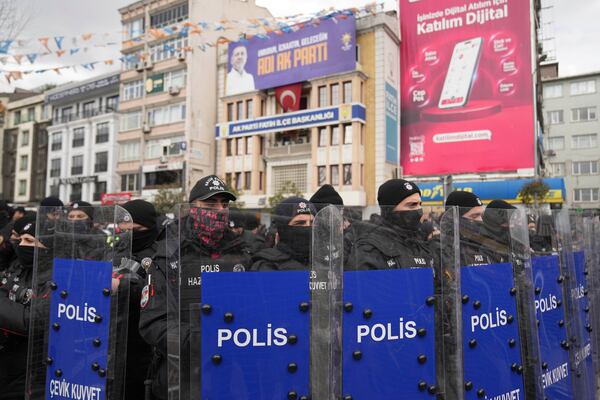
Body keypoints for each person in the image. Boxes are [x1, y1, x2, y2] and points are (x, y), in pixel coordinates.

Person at [139, 175, 252, 400]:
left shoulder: (244, 252)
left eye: (225, 204)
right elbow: (154, 322)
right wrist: (204, 339)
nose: (220, 210)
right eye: (210, 204)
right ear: (192, 208)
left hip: (234, 377)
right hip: (182, 378)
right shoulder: (169, 254)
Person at [0, 214, 50, 399]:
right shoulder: (20, 267)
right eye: (20, 239)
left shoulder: (59, 275)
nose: (22, 245)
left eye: (29, 240)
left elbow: (34, 319)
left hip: (35, 369)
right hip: (9, 363)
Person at [115, 200, 158, 399]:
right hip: (115, 340)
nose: (129, 234)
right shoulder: (117, 250)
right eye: (124, 229)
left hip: (146, 345)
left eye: (136, 229)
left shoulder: (163, 254)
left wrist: (122, 287)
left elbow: (162, 293)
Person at [347, 179, 434, 270]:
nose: (419, 210)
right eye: (412, 205)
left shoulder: (418, 243)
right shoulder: (369, 248)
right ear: (390, 210)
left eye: (420, 204)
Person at [252, 197, 316, 271]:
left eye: (312, 222)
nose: (308, 227)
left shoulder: (322, 261)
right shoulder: (268, 266)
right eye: (300, 223)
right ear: (283, 228)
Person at [444, 190, 492, 266]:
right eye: (474, 216)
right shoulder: (444, 250)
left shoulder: (486, 246)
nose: (480, 220)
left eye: (481, 215)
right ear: (455, 218)